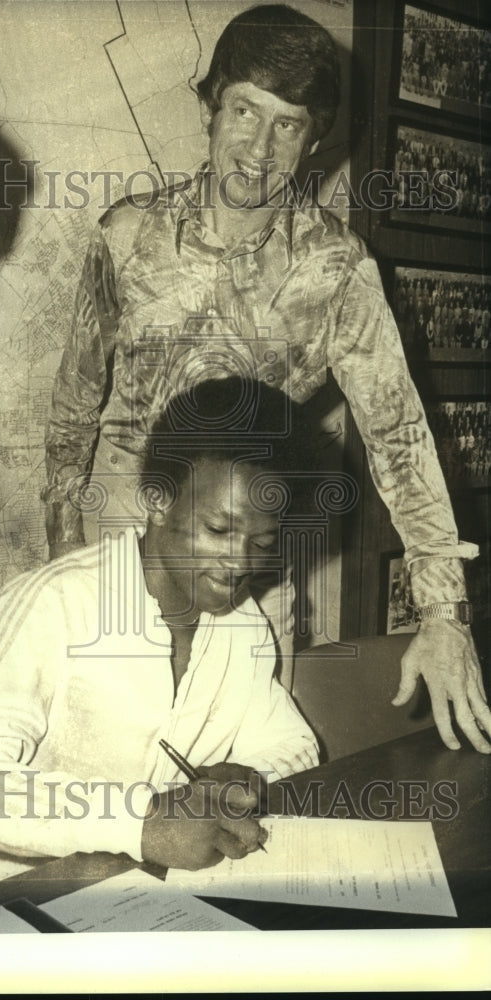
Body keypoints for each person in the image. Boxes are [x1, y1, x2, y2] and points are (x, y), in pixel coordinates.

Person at [42, 3, 491, 754]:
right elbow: (75, 402)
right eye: (243, 111)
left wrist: (443, 611)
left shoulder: (338, 270)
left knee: (255, 774)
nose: (257, 147)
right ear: (210, 107)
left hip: (249, 576)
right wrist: (59, 544)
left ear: (313, 140)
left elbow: (400, 437)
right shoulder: (125, 237)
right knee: (107, 775)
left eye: (287, 124)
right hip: (118, 558)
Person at [0, 377, 319, 892]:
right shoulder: (55, 603)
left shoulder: (243, 623)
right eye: (219, 530)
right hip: (15, 901)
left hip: (149, 895)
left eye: (261, 541)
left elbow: (296, 745)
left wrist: (246, 776)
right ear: (157, 500)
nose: (240, 562)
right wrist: (139, 821)